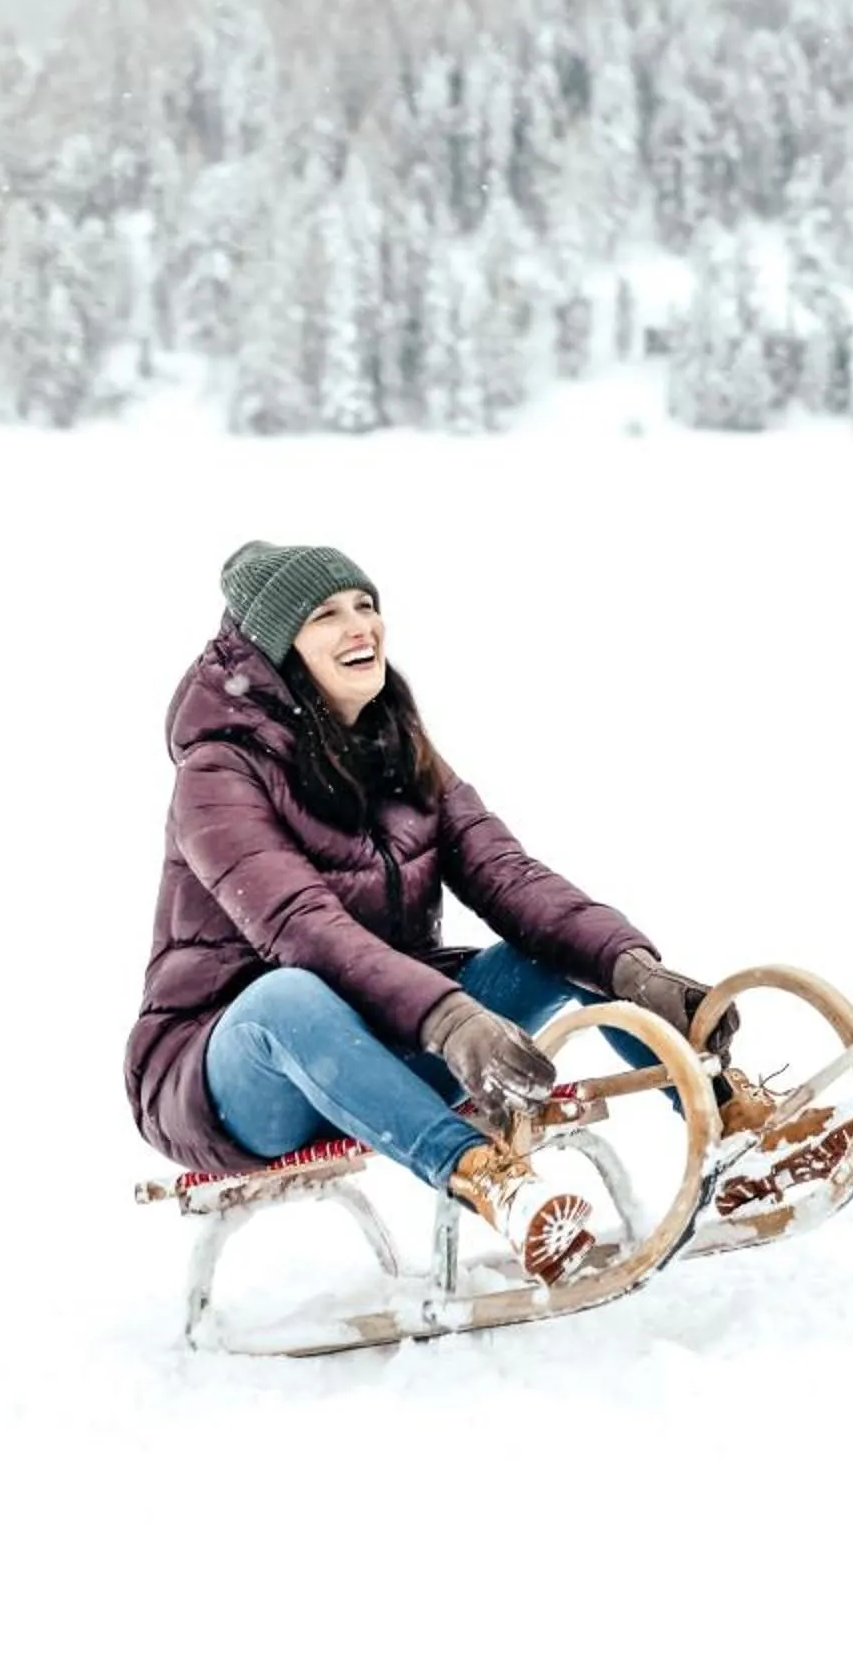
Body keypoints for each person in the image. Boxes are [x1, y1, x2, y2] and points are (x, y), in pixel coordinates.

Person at [126, 540, 718, 1285]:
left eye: (365, 606)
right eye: (326, 615)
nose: (359, 627)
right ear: (276, 650)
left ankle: (726, 1120)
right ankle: (487, 1179)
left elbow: (512, 878)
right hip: (233, 1074)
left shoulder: (399, 750)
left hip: (384, 1040)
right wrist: (449, 1019)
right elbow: (305, 929)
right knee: (288, 998)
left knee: (561, 946)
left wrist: (635, 973)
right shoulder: (216, 775)